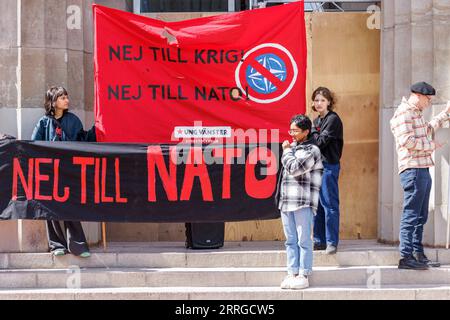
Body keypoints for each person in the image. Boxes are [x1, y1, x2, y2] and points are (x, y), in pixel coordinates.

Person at [390, 82, 450, 270]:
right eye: (428, 99)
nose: (429, 103)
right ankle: (406, 256)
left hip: (421, 168)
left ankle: (417, 253)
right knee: (411, 214)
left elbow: (428, 129)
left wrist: (446, 114)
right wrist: (431, 146)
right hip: (413, 169)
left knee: (420, 215)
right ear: (418, 95)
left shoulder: (415, 114)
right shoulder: (404, 113)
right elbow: (406, 141)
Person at [31, 86, 96, 257]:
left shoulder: (73, 121)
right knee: (49, 208)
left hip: (69, 172)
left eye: (66, 96)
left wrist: (98, 128)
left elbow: (83, 141)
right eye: (62, 97)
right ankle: (57, 245)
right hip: (49, 174)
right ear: (53, 102)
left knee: (70, 207)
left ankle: (78, 245)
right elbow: (34, 146)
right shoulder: (43, 123)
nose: (66, 100)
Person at [276, 114, 323, 290]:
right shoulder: (293, 147)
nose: (292, 134)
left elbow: (295, 169)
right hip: (287, 200)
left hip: (303, 201)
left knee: (304, 240)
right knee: (290, 240)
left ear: (306, 131)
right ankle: (292, 272)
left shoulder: (312, 150)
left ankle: (304, 273)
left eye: (296, 130)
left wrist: (287, 151)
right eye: (291, 130)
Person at [310, 87, 344, 255]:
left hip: (329, 166)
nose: (319, 103)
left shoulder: (333, 119)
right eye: (316, 100)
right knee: (317, 206)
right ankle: (319, 240)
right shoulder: (316, 122)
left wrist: (311, 134)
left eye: (322, 100)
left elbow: (319, 143)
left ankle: (331, 242)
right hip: (316, 167)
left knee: (329, 205)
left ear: (329, 102)